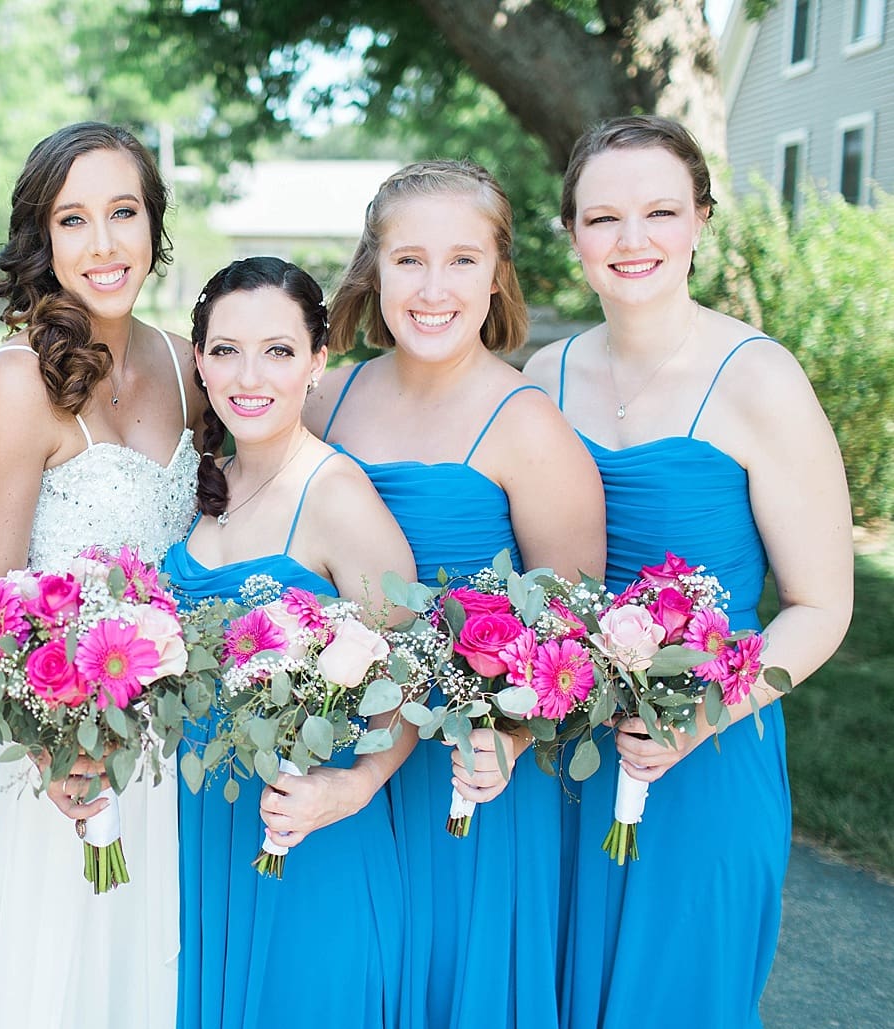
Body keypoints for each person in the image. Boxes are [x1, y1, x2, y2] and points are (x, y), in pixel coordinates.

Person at [523, 114, 853, 1029]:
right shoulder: (543, 376)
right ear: (571, 232)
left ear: (701, 219)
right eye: (603, 217)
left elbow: (821, 606)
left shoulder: (760, 379)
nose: (631, 239)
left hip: (705, 747)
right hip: (560, 756)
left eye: (660, 211)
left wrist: (696, 718)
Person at [307, 159, 606, 1028]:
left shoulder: (529, 426)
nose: (433, 289)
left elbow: (572, 637)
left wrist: (507, 738)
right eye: (408, 260)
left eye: (462, 260)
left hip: (464, 774)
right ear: (373, 269)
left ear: (497, 274)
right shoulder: (325, 399)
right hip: (338, 755)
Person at [0, 121, 203, 1028]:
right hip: (57, 747)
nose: (103, 244)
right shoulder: (15, 384)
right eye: (73, 219)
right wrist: (52, 748)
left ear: (154, 223)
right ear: (42, 238)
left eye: (123, 212)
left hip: (167, 736)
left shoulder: (187, 364)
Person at [165, 256, 418, 1029]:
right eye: (226, 350)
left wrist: (356, 784)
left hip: (305, 831)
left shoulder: (337, 496)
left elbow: (410, 676)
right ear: (199, 360)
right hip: (197, 827)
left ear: (316, 361)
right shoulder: (206, 482)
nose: (249, 376)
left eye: (277, 350)